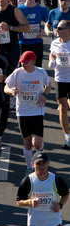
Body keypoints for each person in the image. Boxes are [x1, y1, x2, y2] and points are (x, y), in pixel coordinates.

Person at [4, 51, 51, 173]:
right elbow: (6, 87)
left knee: (37, 143)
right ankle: (30, 167)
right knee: (27, 142)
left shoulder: (41, 72)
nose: (23, 65)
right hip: (22, 111)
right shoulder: (17, 73)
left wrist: (44, 95)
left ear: (33, 62)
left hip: (37, 110)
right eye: (22, 62)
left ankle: (39, 151)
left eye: (26, 62)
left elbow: (49, 85)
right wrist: (11, 91)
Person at [48, 20, 70, 149]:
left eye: (60, 28)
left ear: (68, 30)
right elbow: (52, 55)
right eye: (57, 28)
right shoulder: (55, 43)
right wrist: (51, 61)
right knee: (62, 107)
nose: (57, 30)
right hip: (60, 78)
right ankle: (67, 137)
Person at [18, 0, 48, 67]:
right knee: (23, 68)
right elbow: (14, 25)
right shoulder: (19, 10)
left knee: (37, 67)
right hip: (23, 43)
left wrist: (44, 31)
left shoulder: (41, 9)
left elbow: (48, 22)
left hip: (37, 42)